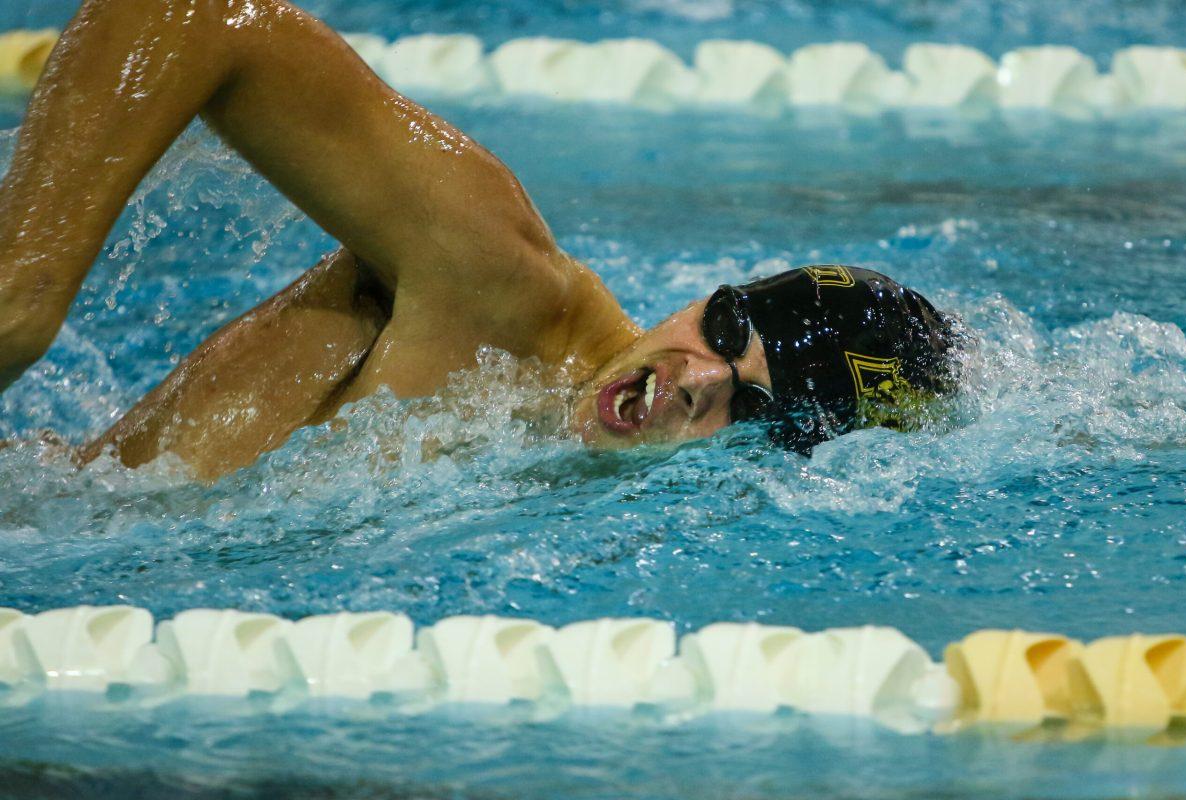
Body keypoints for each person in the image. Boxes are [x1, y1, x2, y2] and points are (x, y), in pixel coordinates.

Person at [0, 0, 956, 481]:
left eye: (751, 409)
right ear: (709, 291)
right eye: (726, 325)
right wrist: (22, 297)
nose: (701, 377)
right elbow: (188, 13)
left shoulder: (564, 487)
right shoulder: (501, 281)